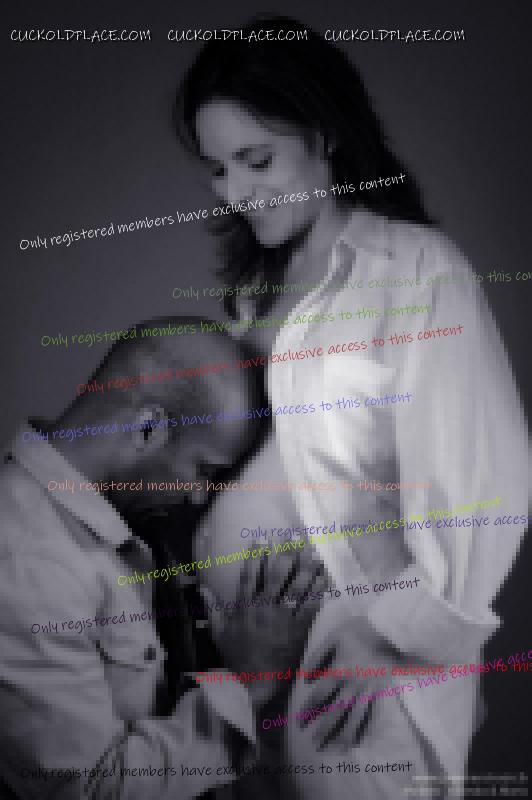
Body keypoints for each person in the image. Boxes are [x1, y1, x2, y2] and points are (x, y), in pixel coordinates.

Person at [175, 16, 530, 799]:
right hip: (246, 669)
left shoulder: (415, 271)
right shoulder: (254, 295)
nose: (235, 192)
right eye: (218, 170)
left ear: (326, 132)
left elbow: (481, 485)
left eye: (257, 161)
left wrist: (389, 639)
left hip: (356, 671)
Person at [0, 317, 263, 800]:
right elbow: (92, 790)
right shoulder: (28, 563)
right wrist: (250, 679)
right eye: (203, 470)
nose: (200, 495)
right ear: (147, 428)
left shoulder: (122, 524)